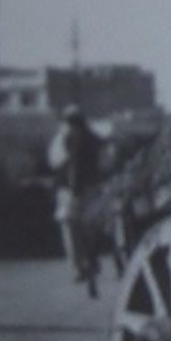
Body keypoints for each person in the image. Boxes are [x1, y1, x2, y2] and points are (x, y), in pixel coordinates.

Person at [48, 104, 105, 297]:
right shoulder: (92, 137)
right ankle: (92, 263)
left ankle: (78, 268)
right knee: (89, 230)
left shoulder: (69, 136)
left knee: (69, 228)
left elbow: (72, 166)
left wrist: (74, 189)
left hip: (72, 191)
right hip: (93, 189)